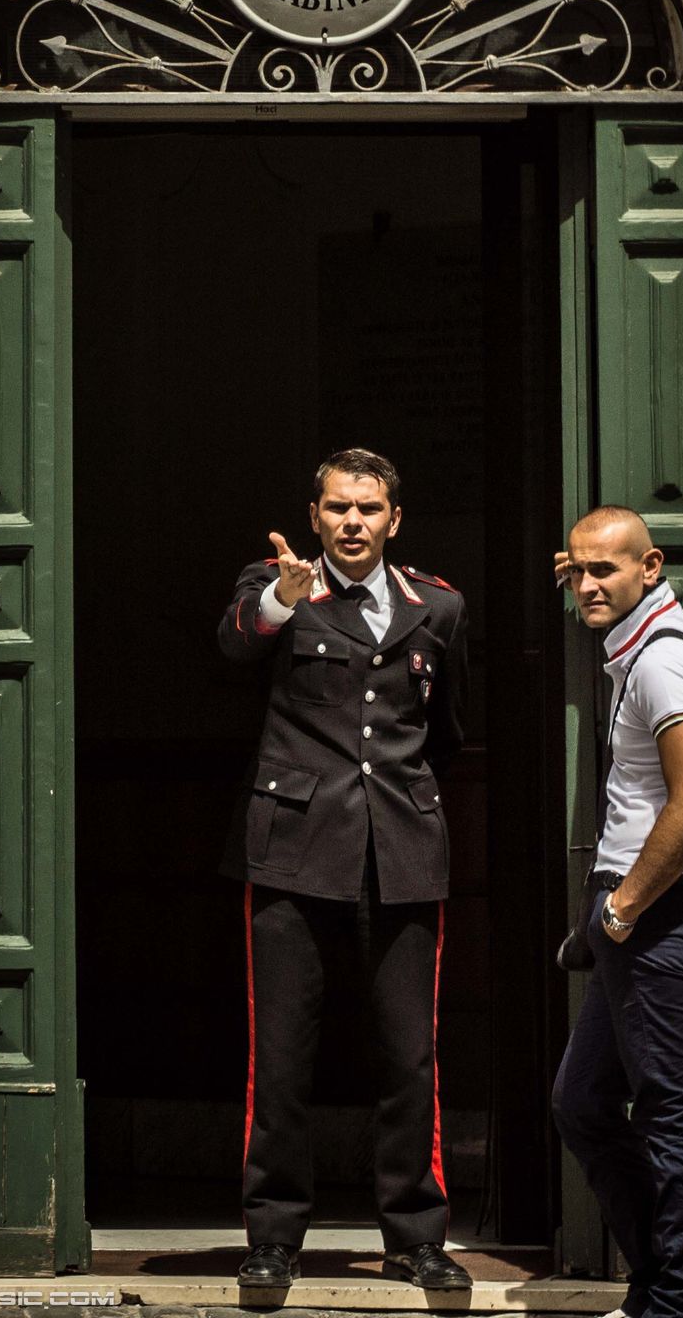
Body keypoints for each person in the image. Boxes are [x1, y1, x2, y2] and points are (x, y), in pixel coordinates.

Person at [217, 447, 471, 1292]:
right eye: (336, 508)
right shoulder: (278, 586)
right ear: (314, 515)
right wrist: (280, 602)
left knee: (409, 1058)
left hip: (401, 852)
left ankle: (416, 1238)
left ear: (394, 520)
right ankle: (273, 1239)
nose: (351, 523)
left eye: (367, 509)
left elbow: (446, 732)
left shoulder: (437, 607)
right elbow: (236, 643)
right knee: (282, 1058)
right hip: (291, 852)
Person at [551, 505, 683, 1318]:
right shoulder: (641, 642)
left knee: (674, 1113)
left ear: (652, 568)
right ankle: (658, 1281)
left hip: (661, 912)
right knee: (582, 1102)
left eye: (607, 570)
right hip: (642, 917)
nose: (588, 585)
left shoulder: (663, 662)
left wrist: (621, 910)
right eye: (578, 571)